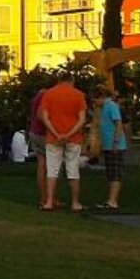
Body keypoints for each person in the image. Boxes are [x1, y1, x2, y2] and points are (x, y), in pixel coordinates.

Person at [39, 71, 87, 212]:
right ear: (72, 80)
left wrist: (56, 133)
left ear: (58, 80)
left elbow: (45, 117)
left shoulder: (48, 94)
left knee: (52, 170)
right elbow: (82, 119)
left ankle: (49, 202)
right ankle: (75, 203)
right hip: (74, 138)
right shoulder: (79, 95)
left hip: (53, 138)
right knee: (73, 170)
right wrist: (68, 134)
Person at [97, 87, 127, 211]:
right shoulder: (104, 108)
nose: (94, 103)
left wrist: (115, 142)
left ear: (101, 97)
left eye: (95, 100)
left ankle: (113, 201)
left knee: (115, 172)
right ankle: (110, 199)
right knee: (110, 173)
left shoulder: (111, 106)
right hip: (108, 145)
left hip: (115, 145)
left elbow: (118, 124)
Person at [28, 86, 50, 208]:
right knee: (49, 166)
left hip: (34, 132)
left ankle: (45, 197)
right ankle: (47, 198)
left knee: (42, 165)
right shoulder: (45, 96)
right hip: (42, 134)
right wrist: (51, 128)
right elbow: (40, 115)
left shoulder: (37, 96)